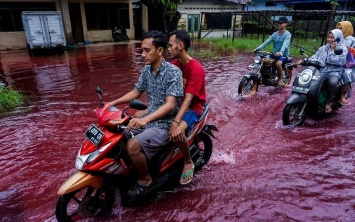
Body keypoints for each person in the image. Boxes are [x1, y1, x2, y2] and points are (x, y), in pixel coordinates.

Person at [109, 30, 184, 197]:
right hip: (148, 119)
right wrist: (112, 103)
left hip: (165, 123)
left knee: (133, 146)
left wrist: (145, 119)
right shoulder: (146, 70)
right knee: (118, 138)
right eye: (142, 50)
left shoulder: (173, 72)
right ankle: (134, 170)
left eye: (147, 50)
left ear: (159, 50)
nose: (143, 54)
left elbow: (170, 105)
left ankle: (145, 179)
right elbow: (136, 92)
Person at [167, 30, 206, 185]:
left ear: (180, 45)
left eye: (170, 45)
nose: (168, 49)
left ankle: (188, 161)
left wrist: (176, 123)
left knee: (176, 133)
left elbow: (189, 99)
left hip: (193, 108)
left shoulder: (196, 69)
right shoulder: (174, 65)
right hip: (177, 104)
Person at [309, 29, 348, 113]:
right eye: (328, 37)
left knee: (332, 83)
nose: (329, 39)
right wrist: (307, 60)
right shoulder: (324, 47)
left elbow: (338, 61)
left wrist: (332, 51)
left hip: (335, 71)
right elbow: (315, 56)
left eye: (332, 38)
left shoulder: (342, 49)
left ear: (337, 39)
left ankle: (328, 102)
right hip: (322, 69)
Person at [253, 17, 292, 87]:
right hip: (274, 53)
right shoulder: (275, 34)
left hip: (283, 54)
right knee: (263, 61)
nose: (279, 24)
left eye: (281, 23)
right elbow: (267, 42)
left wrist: (281, 51)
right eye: (278, 23)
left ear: (286, 24)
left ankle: (279, 79)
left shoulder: (287, 34)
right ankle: (265, 77)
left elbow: (285, 44)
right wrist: (257, 49)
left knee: (278, 64)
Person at [336, 21, 355, 105]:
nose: (339, 30)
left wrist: (350, 49)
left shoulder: (352, 39)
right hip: (335, 60)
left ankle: (342, 95)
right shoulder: (336, 37)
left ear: (347, 29)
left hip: (347, 64)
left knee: (347, 74)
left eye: (341, 28)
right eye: (338, 28)